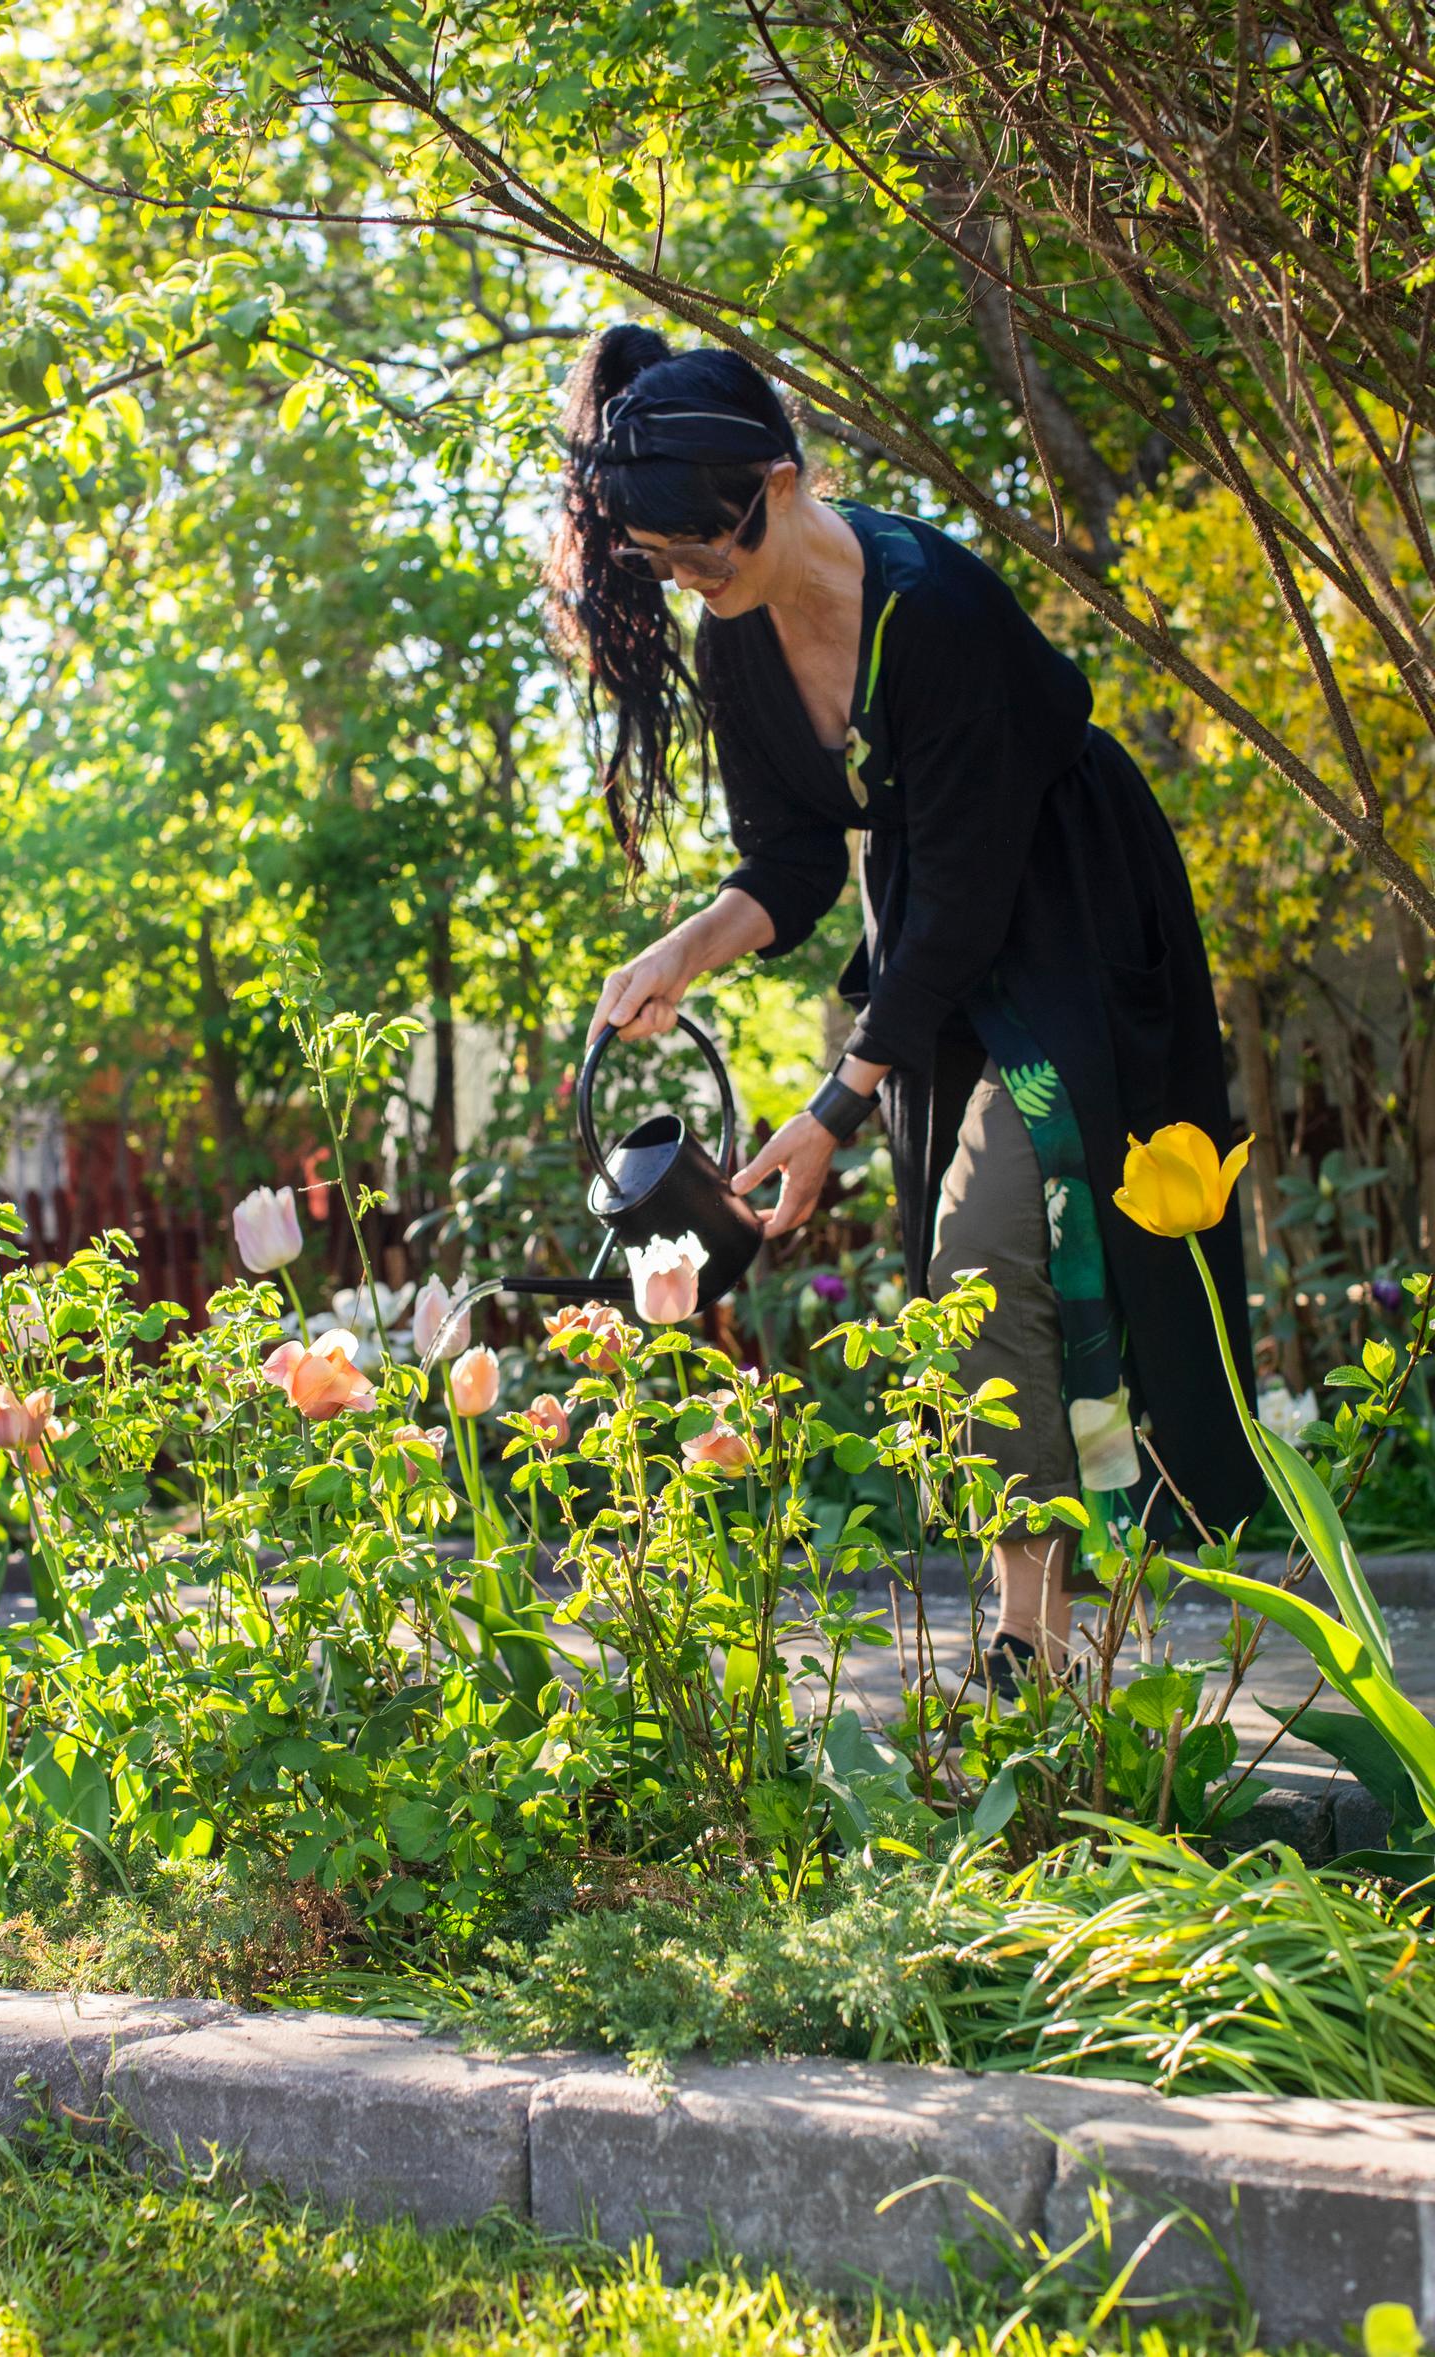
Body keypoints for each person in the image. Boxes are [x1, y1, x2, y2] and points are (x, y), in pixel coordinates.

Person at [548, 323, 1262, 1691]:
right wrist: (678, 954)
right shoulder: (739, 645)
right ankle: (1037, 1646)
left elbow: (973, 892)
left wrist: (832, 1107)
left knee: (999, 1234)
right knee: (963, 1274)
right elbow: (796, 864)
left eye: (715, 552)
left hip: (1069, 913)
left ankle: (1045, 1633)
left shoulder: (926, 602)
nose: (701, 584)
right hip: (935, 939)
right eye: (668, 568)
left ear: (785, 477)